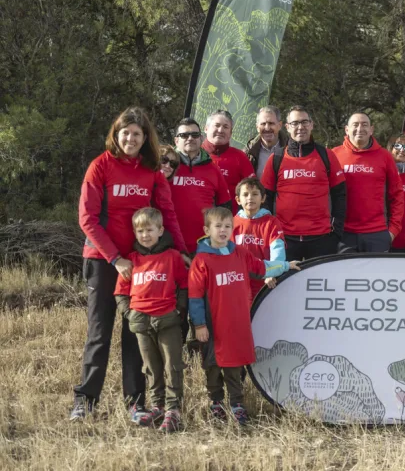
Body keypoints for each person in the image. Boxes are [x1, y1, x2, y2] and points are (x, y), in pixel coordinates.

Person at [73, 107, 186, 421]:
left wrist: (181, 251)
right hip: (103, 261)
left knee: (136, 334)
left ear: (145, 137)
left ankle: (136, 404)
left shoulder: (151, 171)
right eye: (126, 133)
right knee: (99, 332)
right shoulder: (100, 166)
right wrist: (115, 258)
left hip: (141, 265)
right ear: (116, 134)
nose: (132, 139)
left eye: (138, 134)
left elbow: (168, 214)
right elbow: (87, 219)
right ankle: (85, 401)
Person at [188, 207, 299, 425]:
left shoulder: (239, 253)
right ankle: (216, 403)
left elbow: (261, 267)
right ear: (206, 229)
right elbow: (194, 298)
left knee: (235, 364)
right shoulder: (201, 261)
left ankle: (237, 404)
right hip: (212, 325)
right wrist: (199, 325)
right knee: (212, 365)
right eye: (217, 226)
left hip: (237, 323)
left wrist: (286, 265)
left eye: (227, 226)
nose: (223, 231)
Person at [113, 208, 187, 432]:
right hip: (141, 322)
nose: (145, 235)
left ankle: (173, 409)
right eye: (140, 231)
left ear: (160, 230)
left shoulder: (172, 257)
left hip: (167, 320)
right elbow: (120, 292)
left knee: (172, 364)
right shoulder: (131, 261)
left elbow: (184, 285)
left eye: (150, 230)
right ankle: (158, 405)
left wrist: (179, 310)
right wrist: (129, 313)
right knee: (151, 367)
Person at [261, 105, 347, 261]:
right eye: (295, 123)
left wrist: (336, 231)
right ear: (287, 127)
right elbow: (265, 197)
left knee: (320, 285)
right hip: (285, 239)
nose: (300, 127)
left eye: (304, 122)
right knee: (285, 284)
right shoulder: (276, 158)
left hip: (322, 239)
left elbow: (340, 194)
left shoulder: (327, 155)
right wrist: (271, 230)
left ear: (311, 125)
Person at [331, 112, 404, 253]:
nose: (360, 129)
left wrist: (393, 230)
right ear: (346, 129)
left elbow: (397, 194)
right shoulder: (333, 155)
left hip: (377, 233)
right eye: (355, 125)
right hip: (343, 234)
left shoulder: (385, 156)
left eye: (365, 125)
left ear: (371, 129)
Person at [170, 118, 231, 254]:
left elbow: (225, 207)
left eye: (195, 135)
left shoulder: (212, 168)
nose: (190, 138)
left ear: (201, 138)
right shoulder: (167, 166)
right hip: (170, 245)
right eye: (184, 135)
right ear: (176, 141)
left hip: (205, 245)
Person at [232, 177, 287, 298]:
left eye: (255, 194)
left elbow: (278, 251)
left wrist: (271, 273)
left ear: (263, 198)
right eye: (245, 194)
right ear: (237, 200)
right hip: (237, 284)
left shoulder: (271, 222)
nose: (250, 198)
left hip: (264, 285)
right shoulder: (231, 223)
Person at [201, 109, 255, 208]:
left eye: (225, 127)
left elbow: (252, 189)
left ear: (230, 133)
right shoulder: (194, 154)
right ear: (206, 128)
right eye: (217, 125)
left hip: (230, 220)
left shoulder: (240, 157)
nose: (220, 130)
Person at [246, 106, 288, 178]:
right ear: (257, 127)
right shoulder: (248, 152)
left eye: (271, 123)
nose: (267, 128)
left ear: (280, 125)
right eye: (263, 124)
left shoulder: (291, 149)